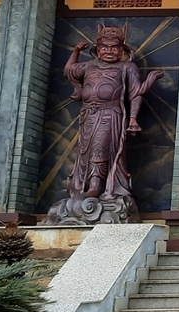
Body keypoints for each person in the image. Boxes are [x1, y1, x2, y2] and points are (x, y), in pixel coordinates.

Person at [44, 23, 162, 226]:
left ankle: (96, 188)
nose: (109, 51)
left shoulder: (127, 68)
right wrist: (76, 51)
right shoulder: (89, 66)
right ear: (97, 50)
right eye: (104, 47)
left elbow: (135, 94)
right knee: (85, 152)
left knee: (101, 149)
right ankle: (83, 186)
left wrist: (133, 118)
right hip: (88, 114)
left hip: (110, 114)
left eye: (114, 47)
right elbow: (69, 71)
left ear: (122, 51)